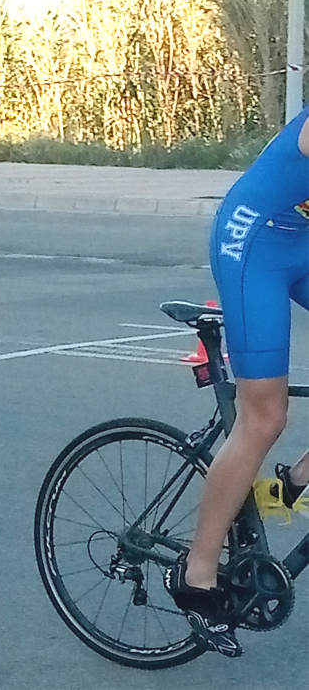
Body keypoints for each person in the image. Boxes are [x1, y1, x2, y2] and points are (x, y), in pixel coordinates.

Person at [167, 105, 309, 658]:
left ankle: (295, 481)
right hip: (252, 244)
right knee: (265, 417)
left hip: (300, 239)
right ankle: (197, 574)